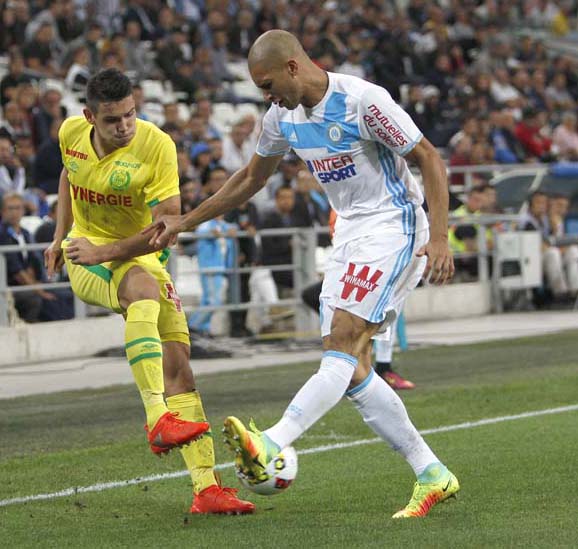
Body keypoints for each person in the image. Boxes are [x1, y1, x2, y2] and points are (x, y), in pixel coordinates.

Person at [144, 30, 458, 518]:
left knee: (344, 341)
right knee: (352, 369)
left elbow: (428, 158)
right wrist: (186, 220)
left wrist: (438, 237)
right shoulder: (281, 118)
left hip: (395, 227)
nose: (266, 97)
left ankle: (271, 441)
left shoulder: (362, 101)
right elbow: (251, 178)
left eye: (268, 84)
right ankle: (431, 472)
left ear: (294, 66)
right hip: (351, 234)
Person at [43, 68, 254, 515]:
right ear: (89, 116)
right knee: (140, 290)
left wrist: (111, 251)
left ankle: (207, 490)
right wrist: (60, 237)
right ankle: (157, 417)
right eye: (113, 119)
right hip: (89, 256)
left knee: (180, 364)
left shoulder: (156, 144)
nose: (124, 126)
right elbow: (67, 175)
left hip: (136, 254)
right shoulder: (70, 132)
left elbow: (166, 228)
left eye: (130, 115)